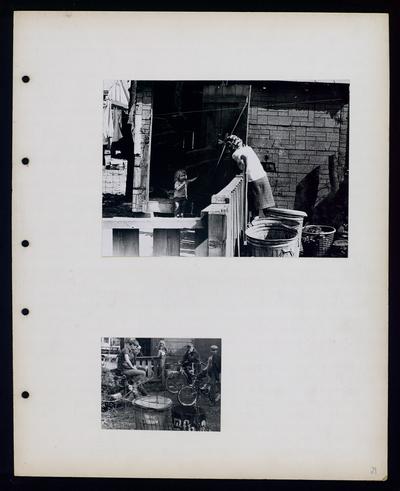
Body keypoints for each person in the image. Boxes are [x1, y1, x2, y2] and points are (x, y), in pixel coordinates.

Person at [225, 135, 275, 218]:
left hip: (253, 180)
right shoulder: (248, 148)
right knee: (267, 207)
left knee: (254, 207)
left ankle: (254, 222)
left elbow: (242, 166)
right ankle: (270, 223)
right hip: (262, 176)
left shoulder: (235, 154)